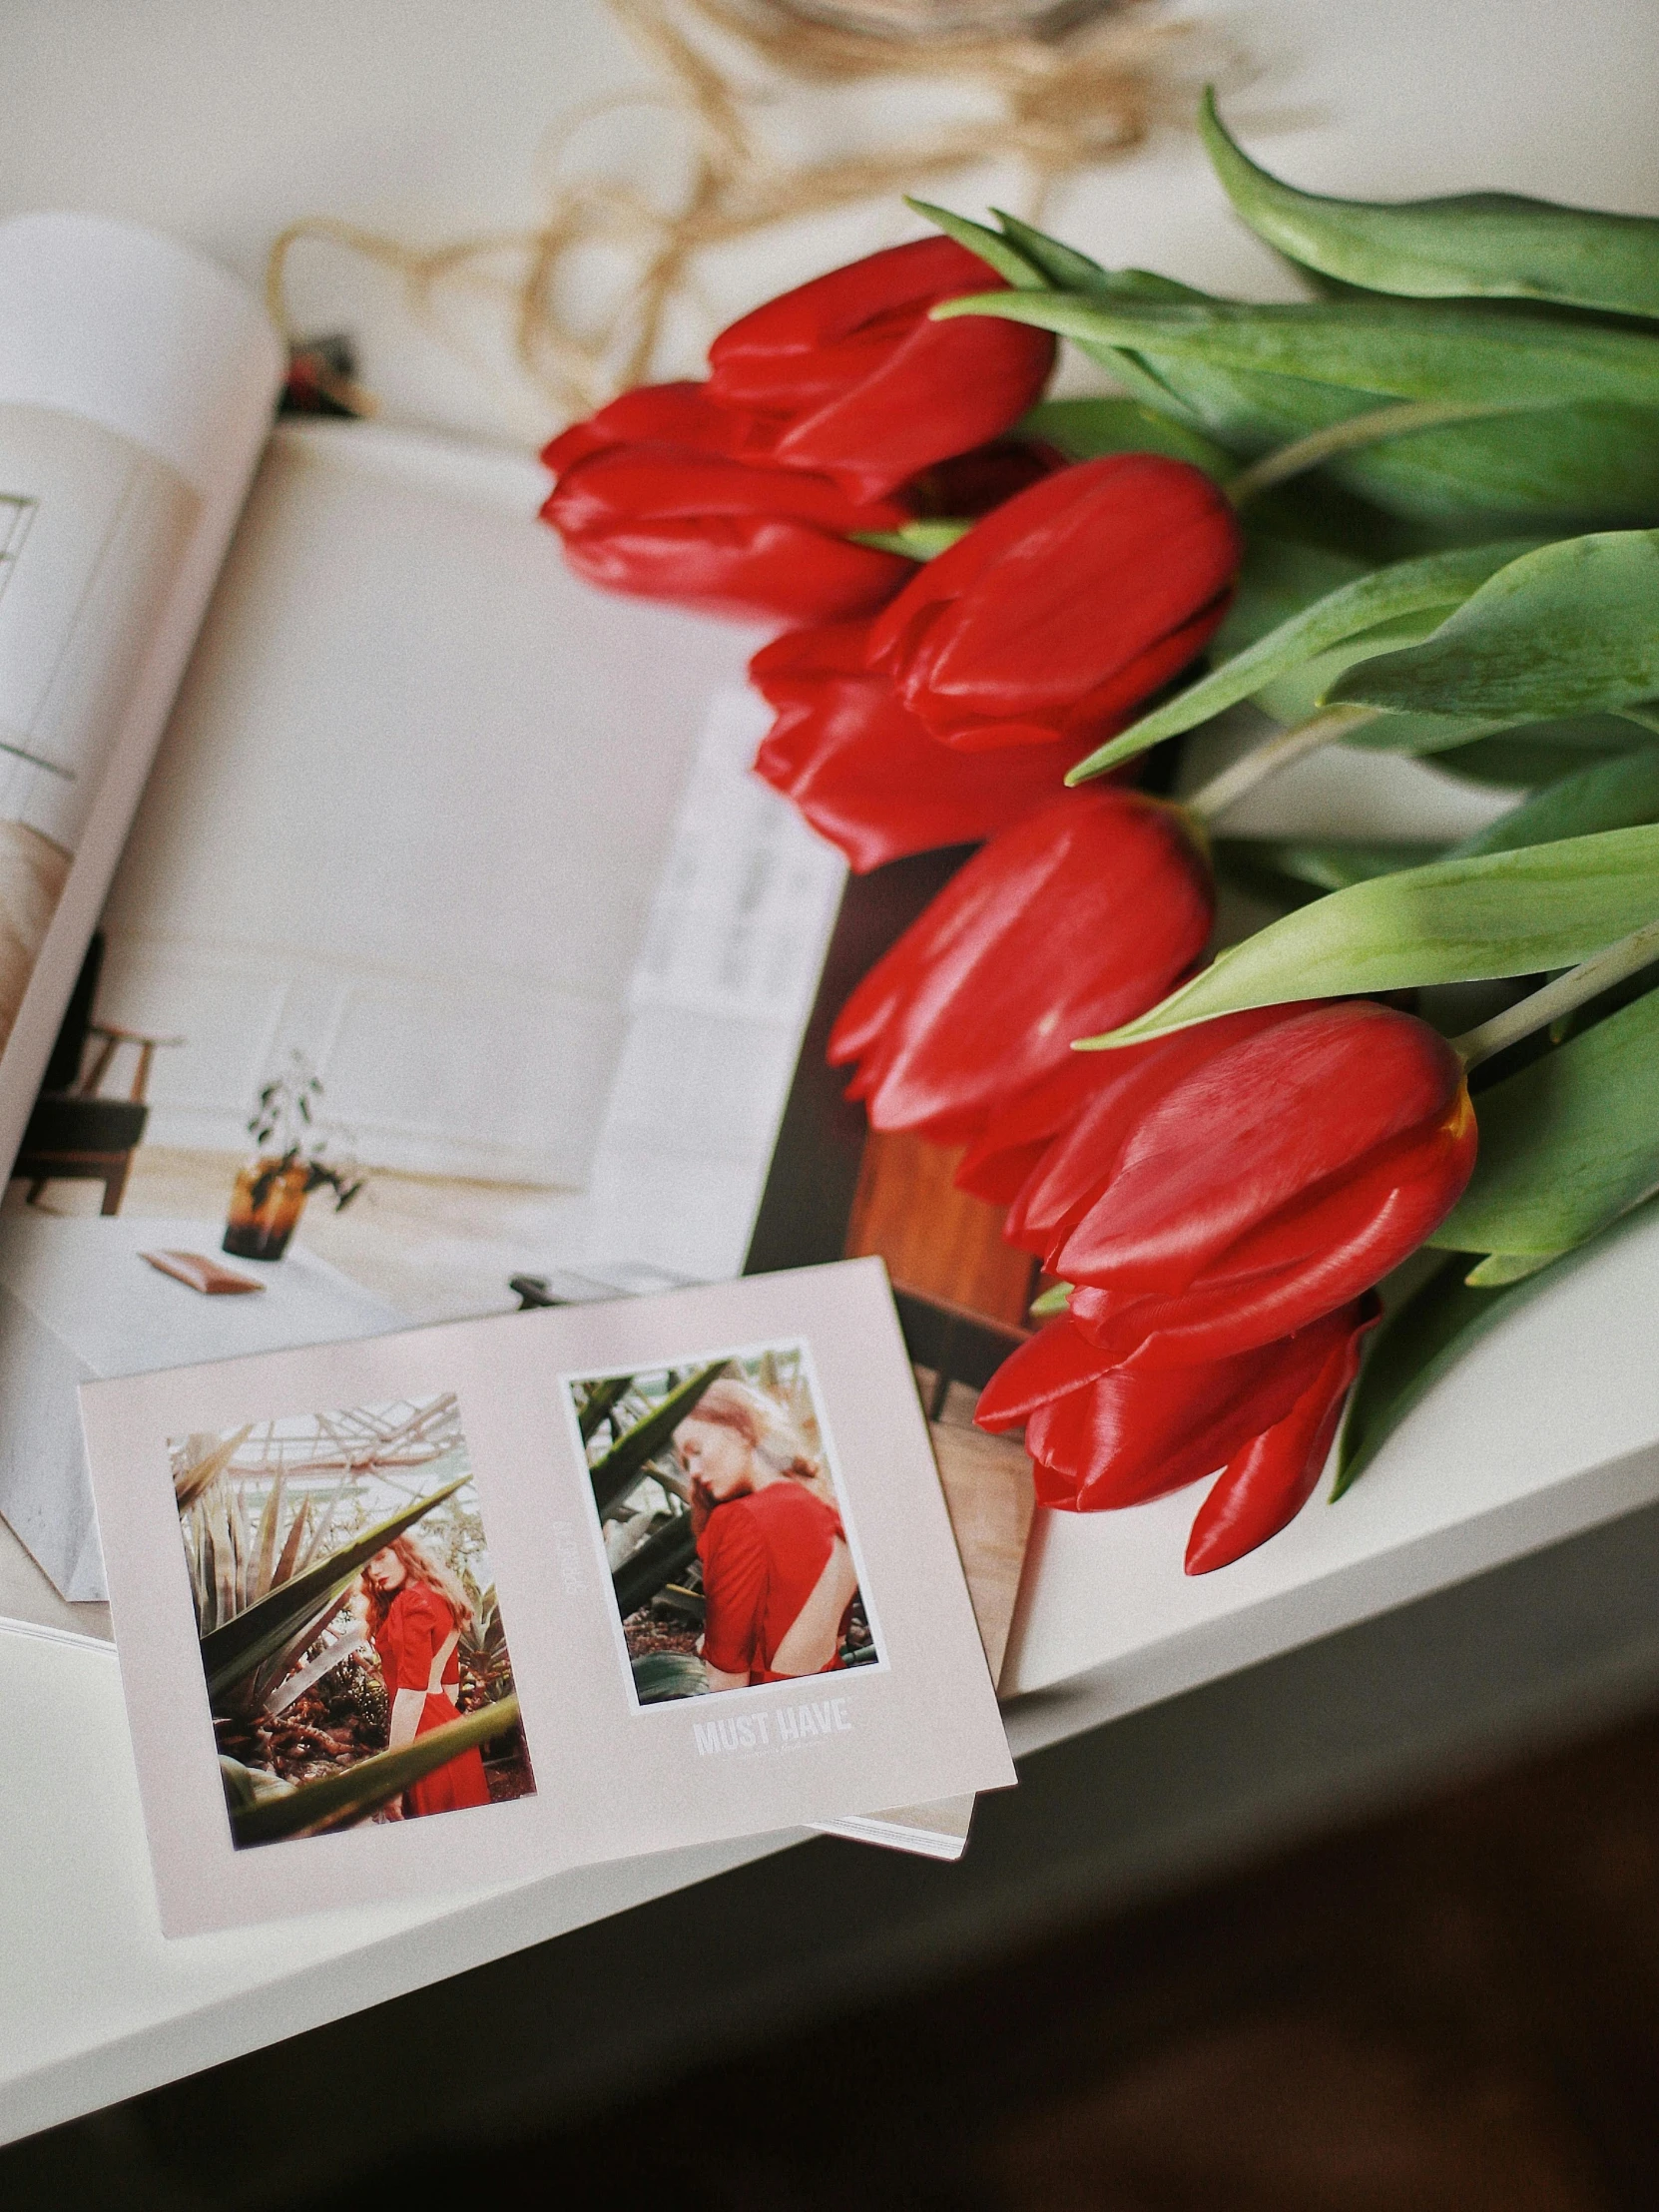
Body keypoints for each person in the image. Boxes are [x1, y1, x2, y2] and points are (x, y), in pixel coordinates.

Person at [674, 1377, 859, 1692]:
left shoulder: (740, 1520)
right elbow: (839, 1636)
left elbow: (725, 1680)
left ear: (740, 1431)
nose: (692, 1471)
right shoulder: (827, 1500)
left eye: (697, 1450)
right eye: (685, 1461)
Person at [361, 1533, 491, 1819]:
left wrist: (393, 1783)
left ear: (405, 1552)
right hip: (453, 1737)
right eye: (367, 1566)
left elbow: (410, 1696)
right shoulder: (442, 1597)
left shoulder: (410, 1603)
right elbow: (449, 1687)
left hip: (423, 1745)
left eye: (381, 1557)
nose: (374, 1572)